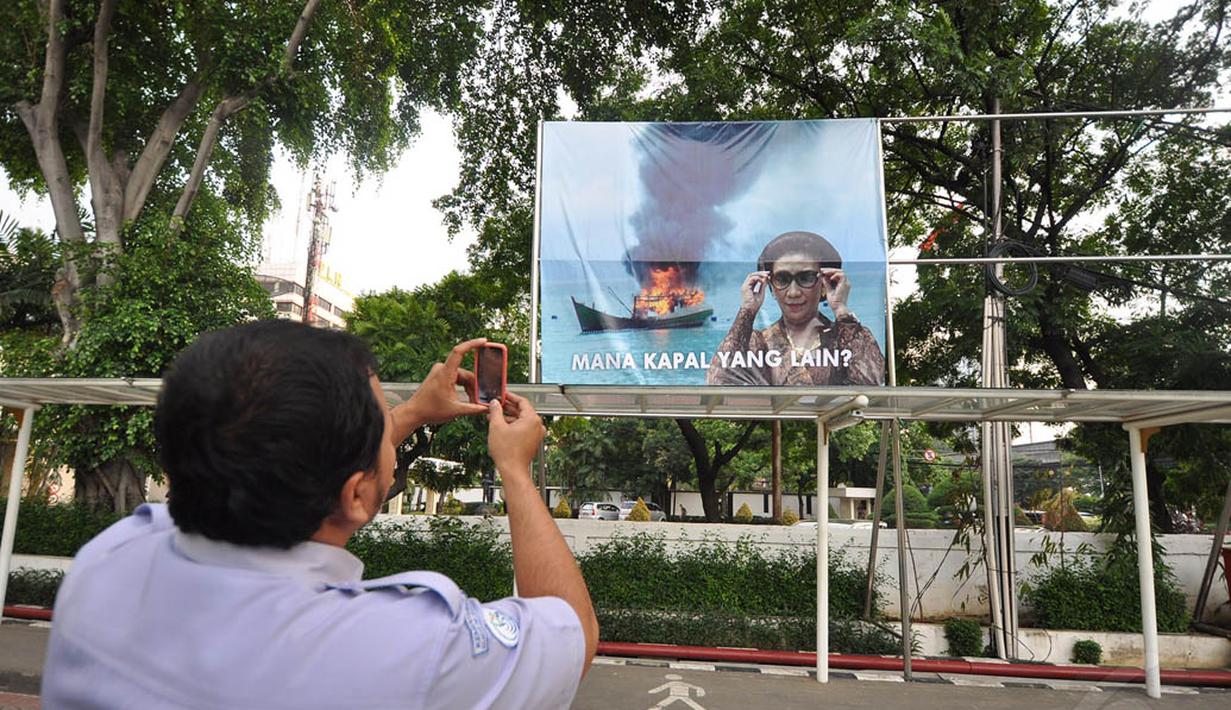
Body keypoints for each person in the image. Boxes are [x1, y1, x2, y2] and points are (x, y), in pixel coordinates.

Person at [41, 320, 598, 709]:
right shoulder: (407, 649)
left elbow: (317, 485)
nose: (391, 421)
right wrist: (516, 471)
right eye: (382, 418)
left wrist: (403, 416)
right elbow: (572, 630)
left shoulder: (109, 560)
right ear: (356, 494)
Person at [707, 230, 885, 386]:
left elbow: (870, 385)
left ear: (824, 284)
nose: (793, 292)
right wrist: (747, 310)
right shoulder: (758, 342)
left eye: (806, 278)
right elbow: (719, 384)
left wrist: (840, 309)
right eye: (782, 279)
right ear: (771, 287)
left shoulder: (847, 338)